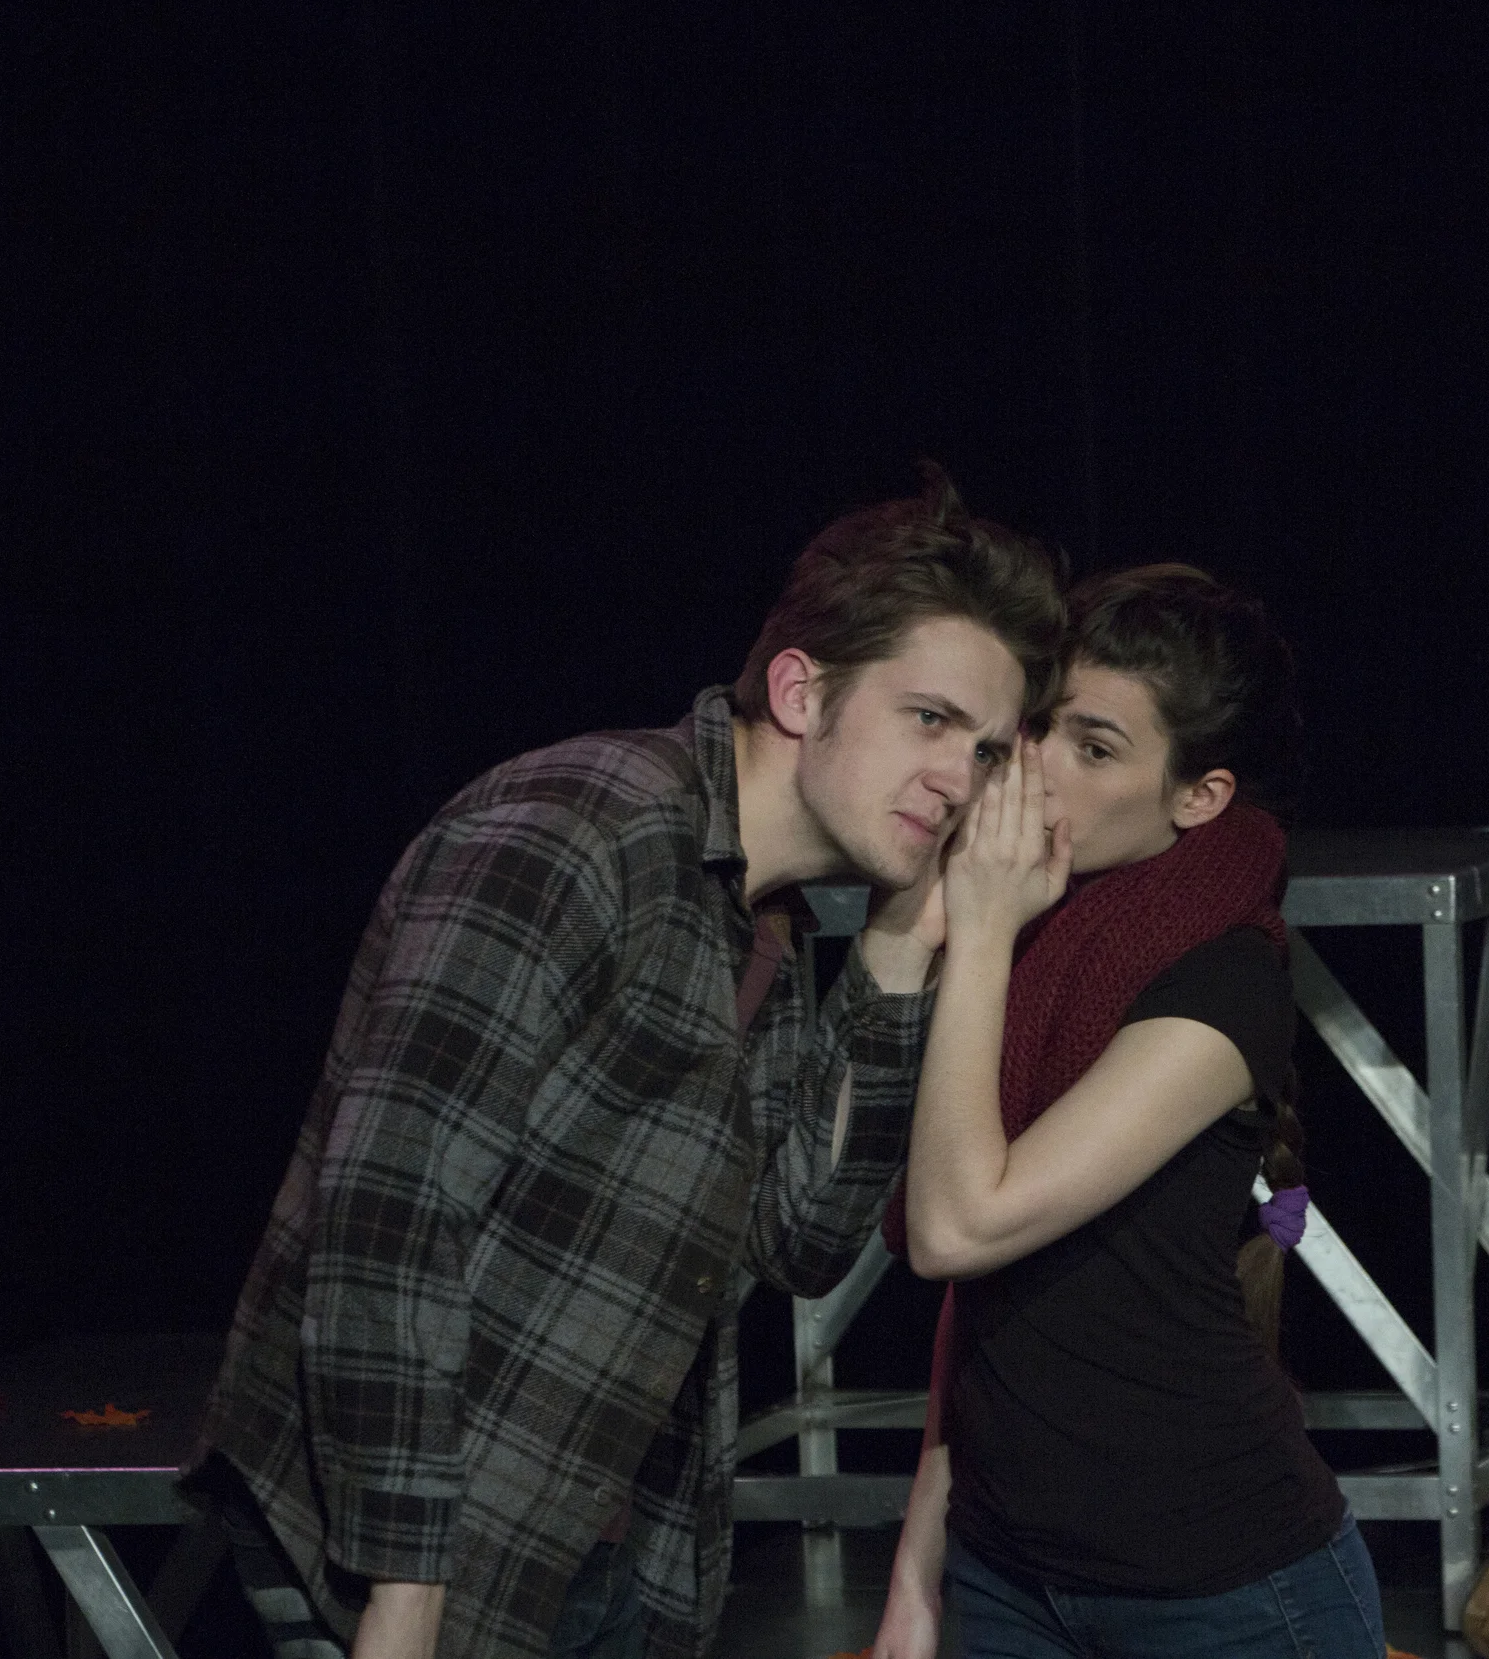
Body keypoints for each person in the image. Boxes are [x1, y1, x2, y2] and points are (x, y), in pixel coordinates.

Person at [188, 468, 1066, 1659]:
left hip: (582, 1548)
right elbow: (390, 1216)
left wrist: (906, 943)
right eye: (928, 719)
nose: (959, 779)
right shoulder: (578, 830)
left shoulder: (766, 924)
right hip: (401, 1548)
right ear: (802, 690)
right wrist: (401, 1592)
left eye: (987, 749)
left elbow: (802, 1236)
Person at [871, 566, 1385, 1659]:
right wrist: (917, 1576)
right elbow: (979, 1303)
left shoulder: (1223, 978)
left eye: (1094, 748)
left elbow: (958, 1223)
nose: (1035, 768)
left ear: (1197, 797)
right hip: (1007, 1574)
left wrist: (981, 932)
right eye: (1040, 725)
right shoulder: (1040, 940)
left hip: (1226, 1593)